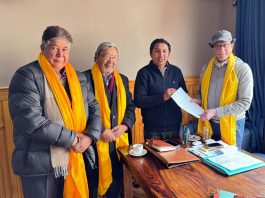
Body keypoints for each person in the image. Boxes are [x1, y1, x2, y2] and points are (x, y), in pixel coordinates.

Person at [8, 26, 102, 198]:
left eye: (65, 49)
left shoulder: (79, 78)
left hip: (76, 157)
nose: (60, 54)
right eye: (54, 48)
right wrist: (73, 139)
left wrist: (89, 137)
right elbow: (31, 121)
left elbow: (95, 109)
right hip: (41, 163)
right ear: (43, 48)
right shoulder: (26, 76)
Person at [84, 42, 135, 198]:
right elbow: (81, 111)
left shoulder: (123, 80)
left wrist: (125, 126)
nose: (111, 61)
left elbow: (130, 108)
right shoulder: (83, 79)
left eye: (114, 58)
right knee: (93, 185)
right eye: (107, 56)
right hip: (93, 143)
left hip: (118, 141)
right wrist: (100, 130)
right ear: (97, 57)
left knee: (117, 184)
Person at [194, 30, 254, 148]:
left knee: (229, 161)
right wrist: (197, 99)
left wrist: (216, 112)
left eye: (225, 45)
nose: (221, 49)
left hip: (233, 124)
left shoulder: (242, 69)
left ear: (232, 45)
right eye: (217, 46)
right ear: (213, 48)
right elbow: (200, 93)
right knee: (207, 159)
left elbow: (245, 103)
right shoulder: (205, 69)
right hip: (209, 123)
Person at [134, 38, 188, 140]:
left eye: (164, 51)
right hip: (153, 129)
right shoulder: (144, 73)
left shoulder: (176, 71)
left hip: (175, 126)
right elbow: (139, 101)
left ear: (169, 54)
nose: (161, 55)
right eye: (157, 51)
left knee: (174, 155)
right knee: (154, 156)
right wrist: (162, 97)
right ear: (151, 54)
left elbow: (184, 95)